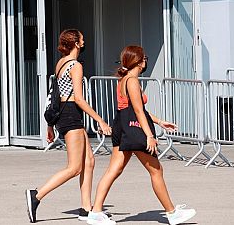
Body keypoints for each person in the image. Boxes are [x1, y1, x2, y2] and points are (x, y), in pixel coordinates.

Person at [86, 46, 196, 225]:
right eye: (144, 57)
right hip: (133, 128)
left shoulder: (124, 80)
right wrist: (149, 135)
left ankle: (96, 211)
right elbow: (137, 110)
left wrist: (159, 121)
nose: (146, 60)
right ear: (138, 61)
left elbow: (135, 109)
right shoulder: (132, 81)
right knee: (156, 170)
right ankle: (171, 212)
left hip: (122, 126)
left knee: (114, 170)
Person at [26, 29, 112, 223]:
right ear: (76, 43)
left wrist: (50, 124)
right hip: (71, 114)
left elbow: (53, 95)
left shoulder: (61, 63)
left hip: (66, 114)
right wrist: (100, 120)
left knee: (89, 161)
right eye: (82, 38)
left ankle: (85, 208)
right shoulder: (76, 65)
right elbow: (79, 99)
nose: (84, 40)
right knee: (74, 168)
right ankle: (36, 195)